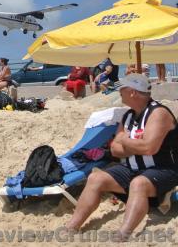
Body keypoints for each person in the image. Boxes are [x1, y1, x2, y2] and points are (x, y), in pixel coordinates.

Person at [65, 74, 178, 240]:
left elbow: (149, 148)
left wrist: (125, 140)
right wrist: (134, 144)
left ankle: (123, 235)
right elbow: (115, 149)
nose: (119, 92)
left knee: (138, 183)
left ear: (132, 92)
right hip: (133, 168)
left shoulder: (158, 113)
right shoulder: (128, 116)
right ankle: (71, 227)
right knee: (96, 178)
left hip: (164, 169)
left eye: (122, 89)